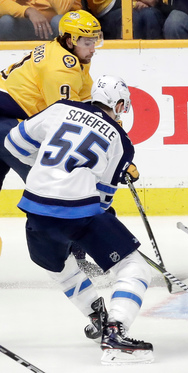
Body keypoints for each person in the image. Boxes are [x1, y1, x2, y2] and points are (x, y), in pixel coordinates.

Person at [4, 75, 154, 364]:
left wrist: (49, 170)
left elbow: (13, 144)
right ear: (119, 104)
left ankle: (96, 314)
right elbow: (103, 198)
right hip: (78, 212)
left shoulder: (60, 108)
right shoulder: (121, 141)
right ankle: (115, 334)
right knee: (134, 267)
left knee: (58, 265)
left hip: (34, 207)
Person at [0, 9, 110, 273]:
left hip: (7, 121)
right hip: (6, 124)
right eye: (87, 41)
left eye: (95, 39)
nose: (93, 47)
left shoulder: (71, 53)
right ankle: (78, 259)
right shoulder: (61, 69)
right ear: (70, 39)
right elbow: (65, 121)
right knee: (56, 187)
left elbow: (86, 101)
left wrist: (110, 125)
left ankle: (77, 254)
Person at [84, 0, 169, 39]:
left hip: (147, 8)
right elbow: (100, 7)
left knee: (151, 15)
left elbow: (153, 1)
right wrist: (133, 4)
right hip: (109, 14)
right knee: (132, 18)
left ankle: (155, 60)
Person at [0, 0, 81, 40]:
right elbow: (2, 4)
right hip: (28, 23)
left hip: (58, 27)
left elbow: (62, 8)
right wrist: (28, 11)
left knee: (58, 21)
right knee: (6, 22)